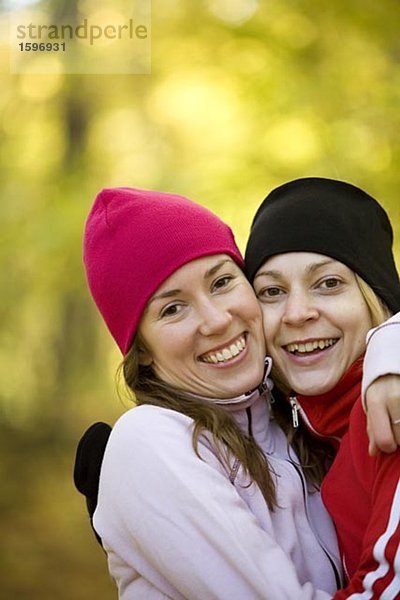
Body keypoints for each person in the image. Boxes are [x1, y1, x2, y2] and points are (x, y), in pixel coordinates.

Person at [81, 186, 344, 599]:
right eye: (173, 308)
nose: (216, 320)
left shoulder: (298, 419)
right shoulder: (150, 440)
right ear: (143, 350)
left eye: (221, 282)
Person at [245, 176, 400, 598]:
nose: (297, 313)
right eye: (272, 291)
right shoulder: (308, 431)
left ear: (377, 300)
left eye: (328, 283)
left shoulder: (390, 414)